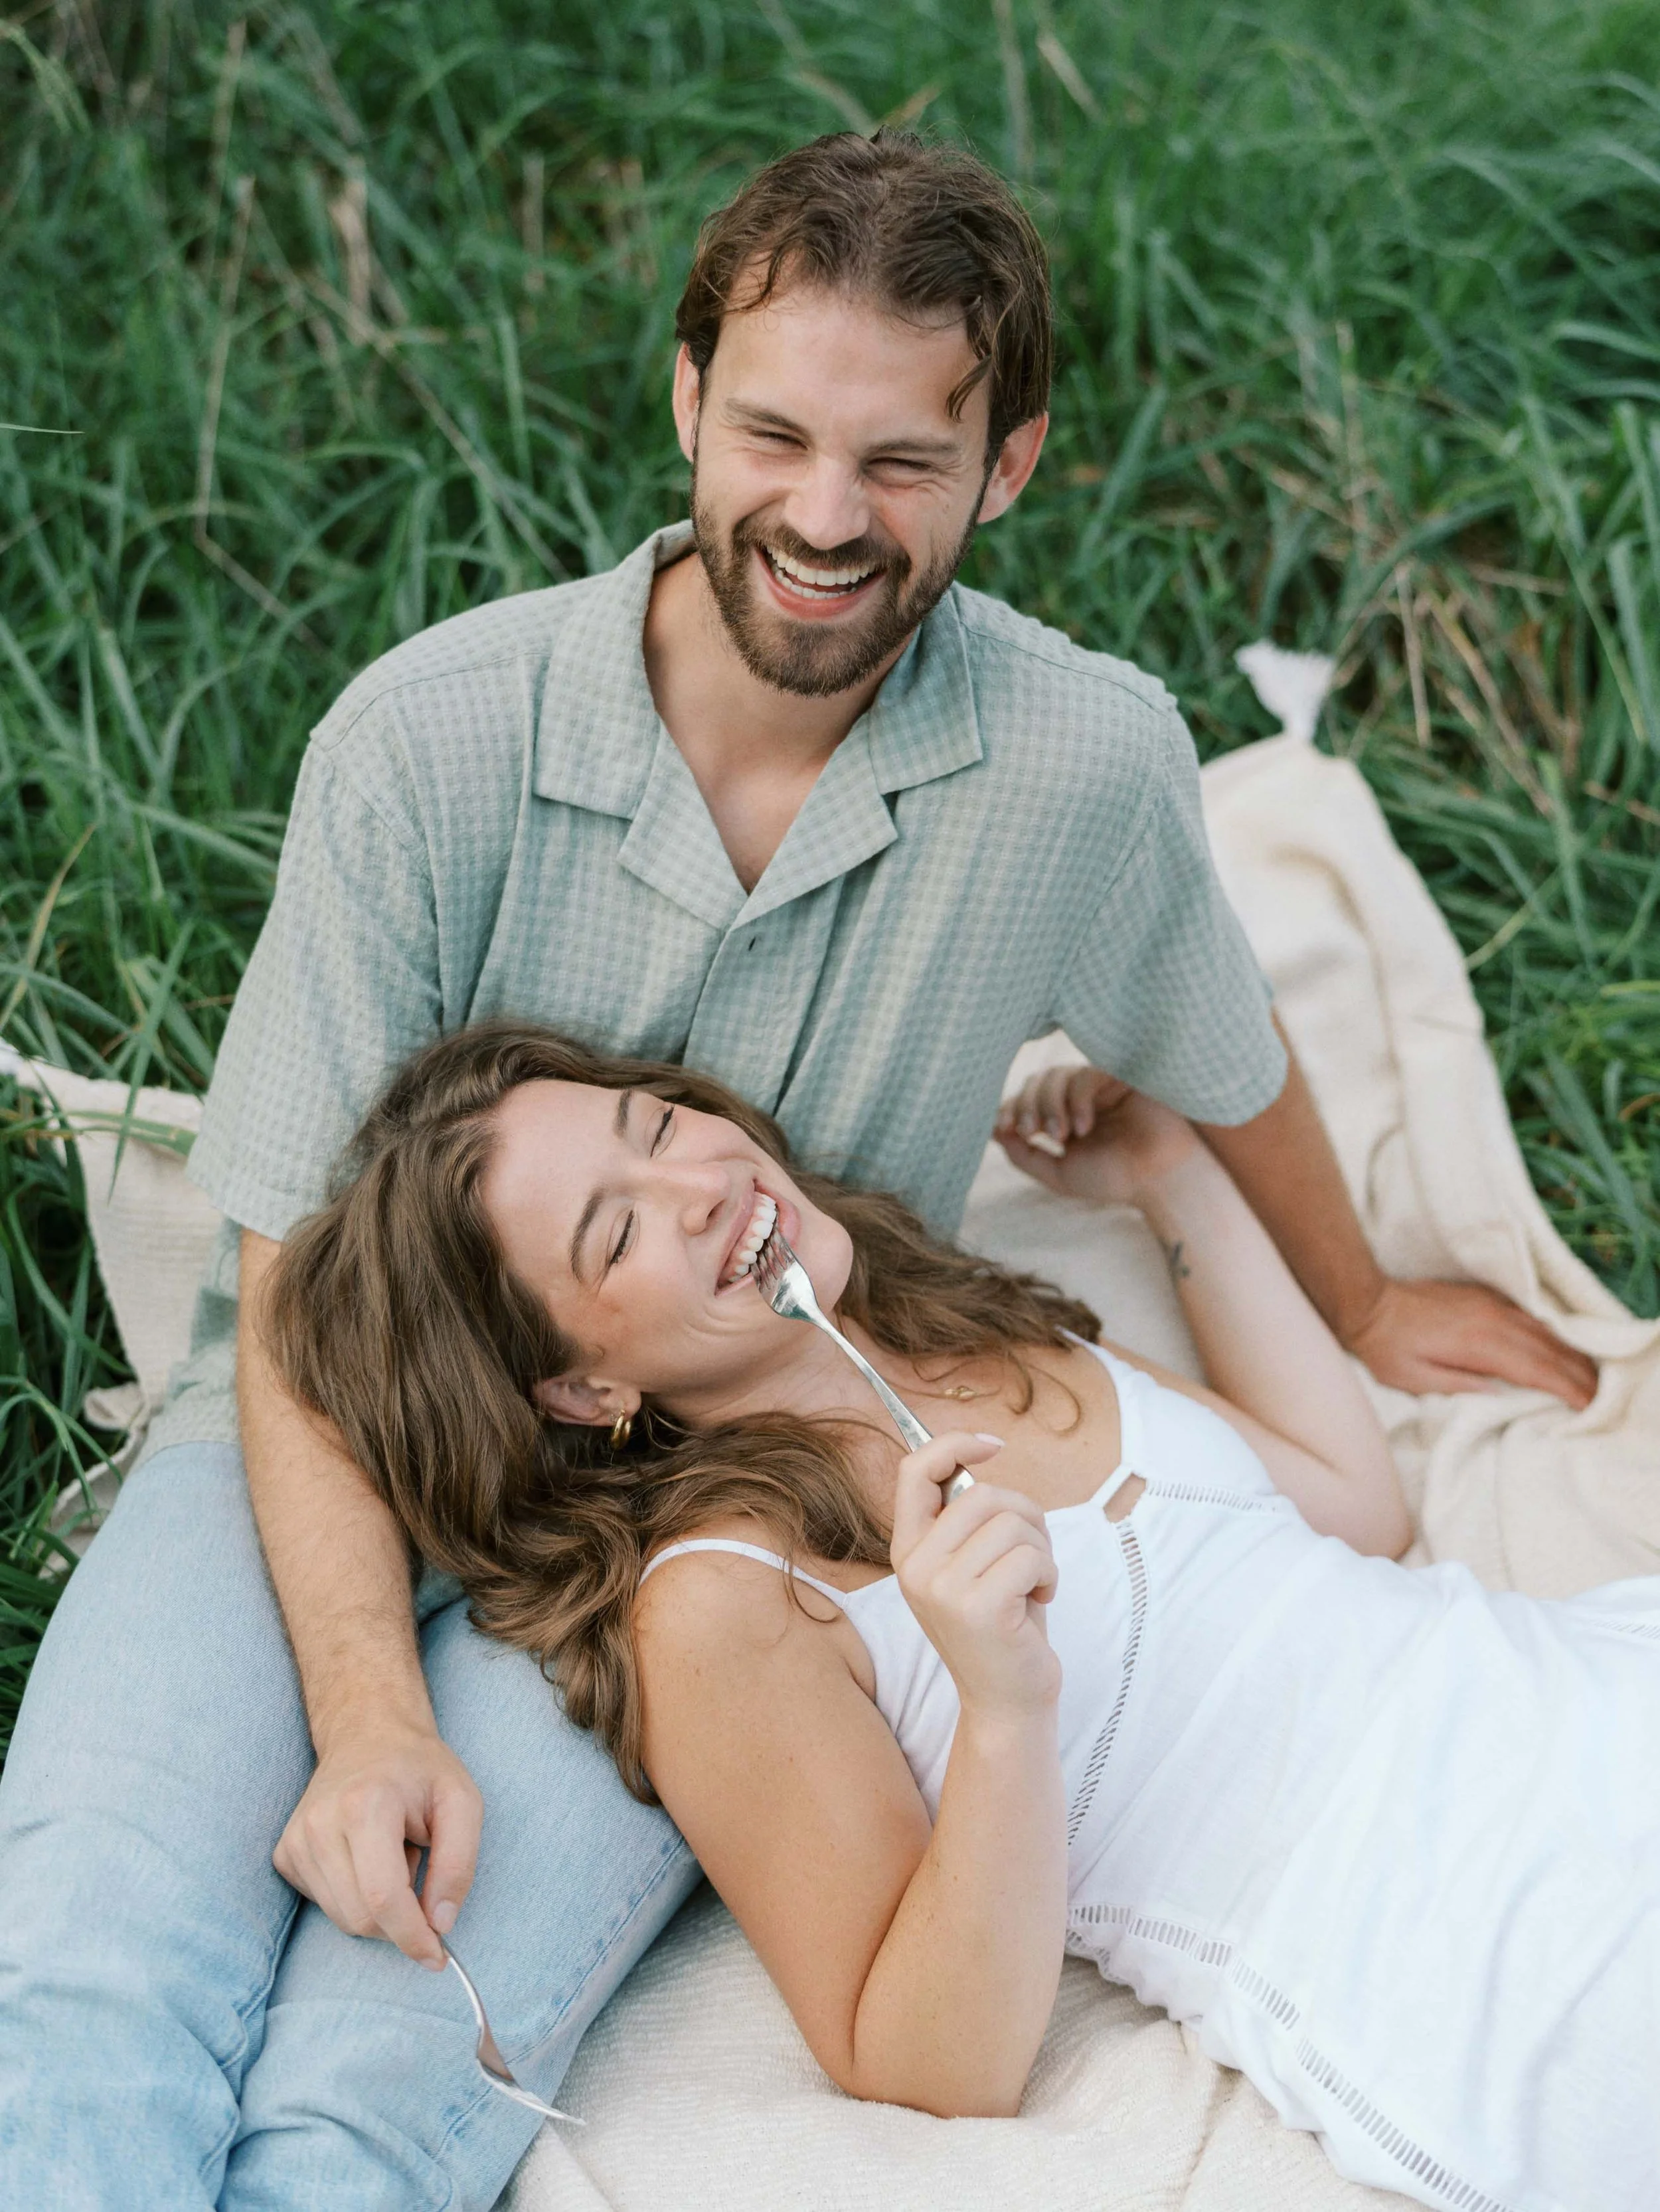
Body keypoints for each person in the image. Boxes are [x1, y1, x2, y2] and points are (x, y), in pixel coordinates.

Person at [0, 131, 1595, 2210]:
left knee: (394, 2067)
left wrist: (1367, 1303)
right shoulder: (428, 743)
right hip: (312, 1419)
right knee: (89, 1962)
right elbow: (298, 1282)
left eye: (902, 463)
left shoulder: (1077, 764)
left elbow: (1218, 1051)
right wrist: (368, 1713)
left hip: (677, 1489)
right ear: (684, 404)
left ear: (1004, 463)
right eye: (769, 435)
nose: (823, 519)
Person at [270, 1021, 1659, 2212]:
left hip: (1553, 1698)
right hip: (1441, 1934)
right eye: (617, 1227)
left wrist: (1170, 1179)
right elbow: (926, 2061)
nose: (695, 1182)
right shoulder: (725, 1603)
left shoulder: (939, 1318)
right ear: (580, 1393)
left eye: (657, 1125)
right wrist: (1000, 1707)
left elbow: (1349, 1513)